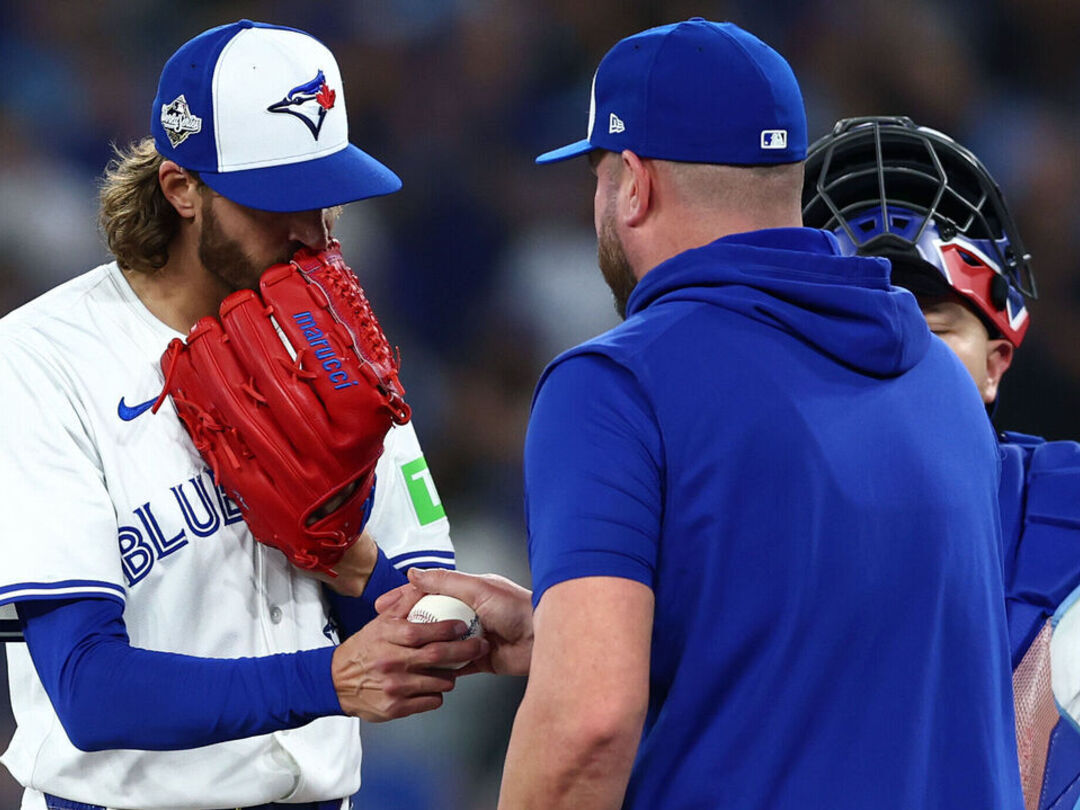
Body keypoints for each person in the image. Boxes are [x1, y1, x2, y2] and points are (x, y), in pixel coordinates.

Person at [384, 18, 1023, 809]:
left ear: (636, 182)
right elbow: (837, 645)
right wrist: (566, 633)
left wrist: (579, 668)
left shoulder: (613, 386)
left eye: (596, 176)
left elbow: (586, 734)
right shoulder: (937, 380)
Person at [0, 20, 486, 810]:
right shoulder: (42, 358)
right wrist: (326, 679)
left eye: (325, 193)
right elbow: (88, 690)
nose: (311, 231)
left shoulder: (340, 347)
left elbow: (433, 625)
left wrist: (347, 553)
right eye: (277, 200)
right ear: (180, 188)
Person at [801, 115, 1080, 810]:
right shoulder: (713, 543)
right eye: (846, 327)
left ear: (996, 364)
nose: (892, 358)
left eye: (930, 328)